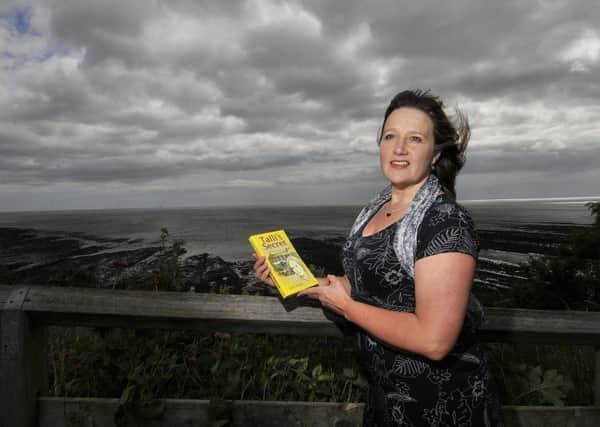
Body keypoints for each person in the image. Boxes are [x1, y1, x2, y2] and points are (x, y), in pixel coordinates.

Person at [253, 89, 504, 426]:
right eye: (390, 136)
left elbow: (435, 339)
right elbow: (363, 286)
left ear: (434, 154)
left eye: (414, 138)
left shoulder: (446, 221)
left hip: (442, 404)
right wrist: (297, 280)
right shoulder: (376, 209)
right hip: (387, 399)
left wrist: (346, 307)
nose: (399, 148)